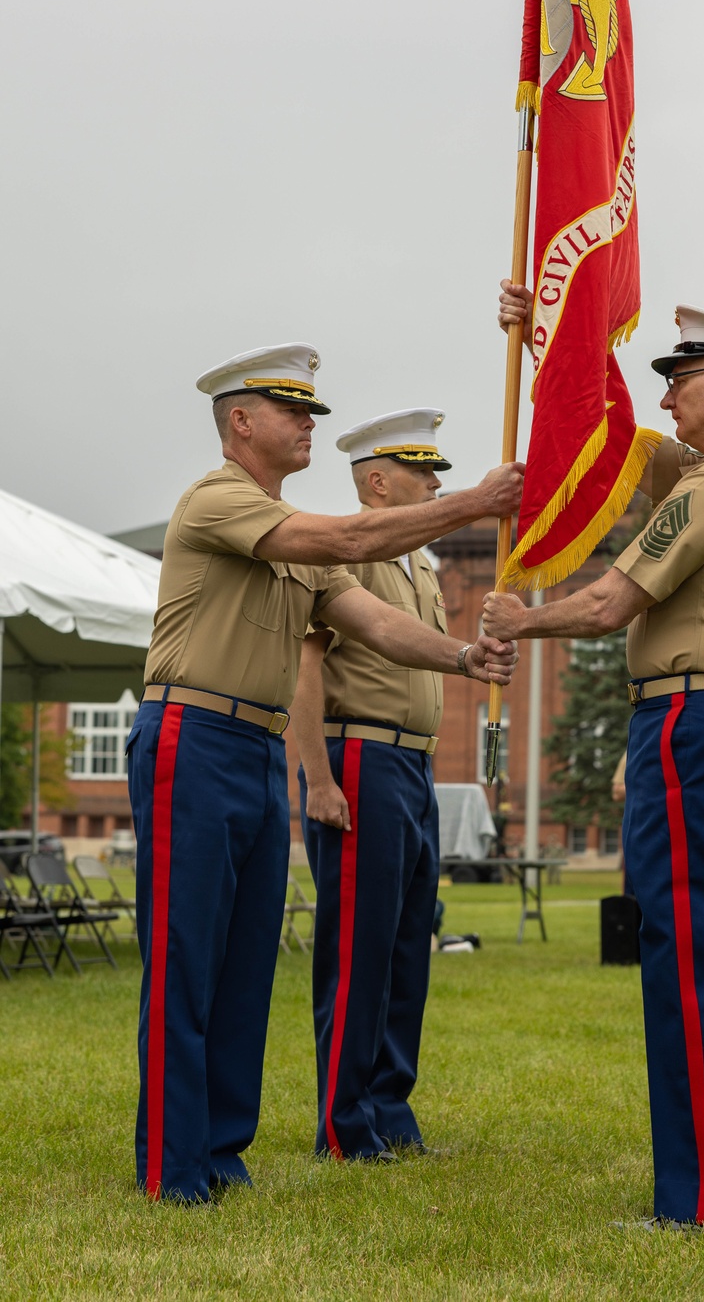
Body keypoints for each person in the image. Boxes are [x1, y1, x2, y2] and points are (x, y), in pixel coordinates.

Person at [127, 343, 522, 1203]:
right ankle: (171, 1165)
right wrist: (475, 503)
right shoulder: (221, 498)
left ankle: (221, 1154)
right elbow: (348, 536)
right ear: (240, 421)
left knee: (244, 965)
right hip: (189, 734)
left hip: (254, 744)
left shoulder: (294, 534)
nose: (311, 422)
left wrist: (464, 655)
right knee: (186, 955)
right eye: (291, 409)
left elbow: (374, 621)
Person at [484, 286, 704, 1231]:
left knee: (688, 964)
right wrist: (555, 337)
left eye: (682, 381)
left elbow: (611, 603)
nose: (667, 400)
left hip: (695, 728)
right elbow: (624, 444)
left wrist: (521, 620)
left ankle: (702, 1204)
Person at [291, 408, 462, 1162]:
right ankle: (343, 1120)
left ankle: (390, 1105)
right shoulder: (348, 551)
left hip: (413, 763)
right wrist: (318, 778)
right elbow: (307, 666)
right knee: (359, 948)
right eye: (422, 472)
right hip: (359, 755)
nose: (434, 484)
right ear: (379, 481)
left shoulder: (419, 565)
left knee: (404, 944)